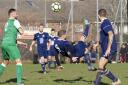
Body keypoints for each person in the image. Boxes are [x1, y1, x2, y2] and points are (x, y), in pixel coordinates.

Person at [94, 9, 121, 85]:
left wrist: (109, 48)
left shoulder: (105, 22)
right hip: (107, 49)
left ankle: (96, 83)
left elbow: (110, 34)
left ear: (98, 16)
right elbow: (104, 37)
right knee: (102, 67)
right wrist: (98, 43)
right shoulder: (104, 22)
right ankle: (115, 80)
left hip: (110, 49)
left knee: (100, 66)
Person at [0, 8, 24, 85]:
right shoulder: (15, 21)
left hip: (4, 43)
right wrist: (21, 29)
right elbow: (21, 32)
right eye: (16, 13)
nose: (17, 15)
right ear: (12, 14)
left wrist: (20, 42)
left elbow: (9, 36)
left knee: (5, 62)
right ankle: (19, 82)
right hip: (10, 44)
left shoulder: (7, 23)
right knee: (18, 61)